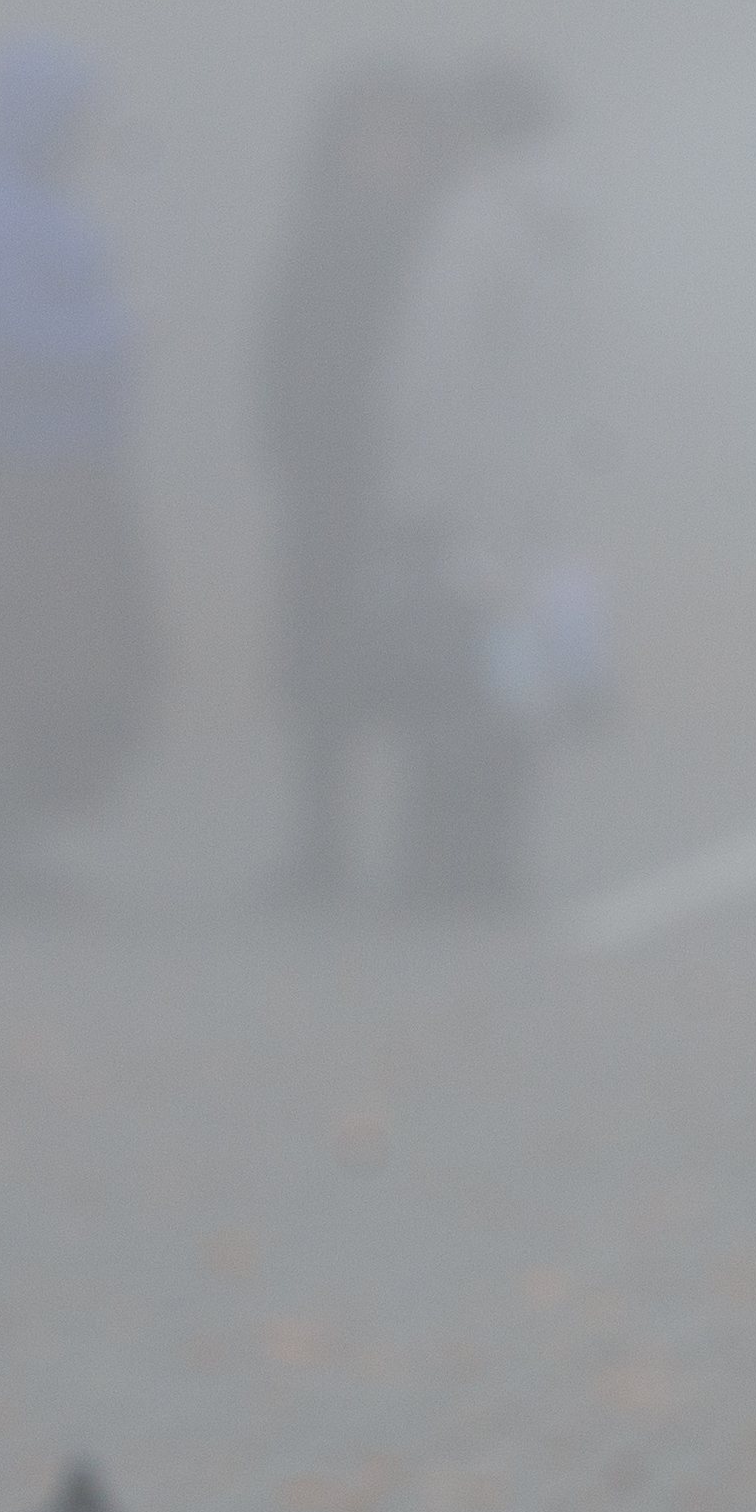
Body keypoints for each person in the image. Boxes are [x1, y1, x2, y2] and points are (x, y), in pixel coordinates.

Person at [0, 39, 154, 914]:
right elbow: (4, 332)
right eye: (72, 118)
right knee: (10, 655)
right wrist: (118, 336)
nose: (83, 136)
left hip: (66, 460)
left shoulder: (32, 199)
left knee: (65, 660)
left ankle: (22, 841)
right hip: (14, 469)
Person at [376, 59, 605, 911]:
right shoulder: (563, 224)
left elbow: (429, 372)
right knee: (521, 687)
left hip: (471, 502)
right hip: (542, 505)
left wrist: (422, 497)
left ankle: (445, 873)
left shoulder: (472, 224)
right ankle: (498, 862)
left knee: (452, 688)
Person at [253, 61, 452, 906]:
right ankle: (321, 837)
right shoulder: (321, 233)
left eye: (402, 135)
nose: (386, 153)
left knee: (428, 658)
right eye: (370, 135)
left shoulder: (444, 238)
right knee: (321, 665)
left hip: (416, 485)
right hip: (329, 484)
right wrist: (288, 442)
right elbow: (279, 354)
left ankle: (427, 839)